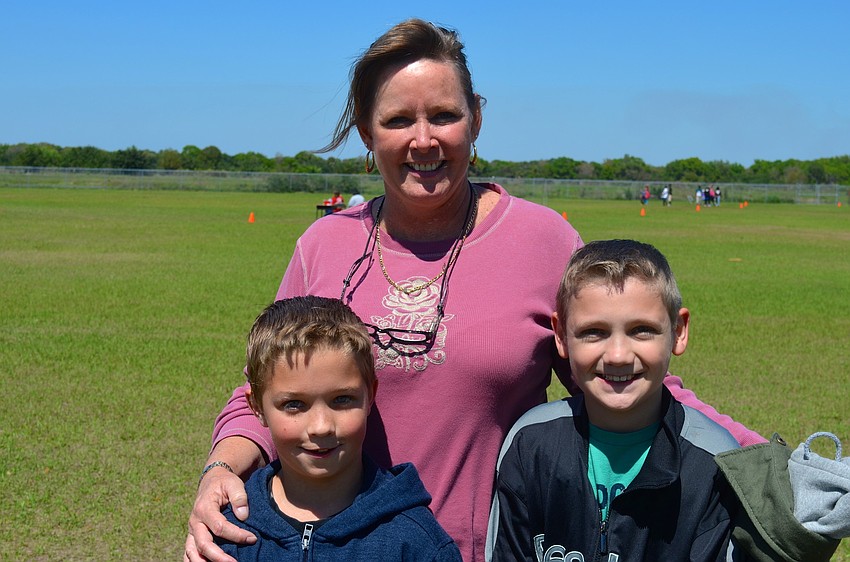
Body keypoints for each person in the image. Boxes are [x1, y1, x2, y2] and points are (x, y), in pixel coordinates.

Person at [186, 19, 764, 562]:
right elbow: (264, 390)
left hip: (494, 547)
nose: (423, 140)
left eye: (443, 115)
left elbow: (631, 381)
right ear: (366, 132)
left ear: (476, 119)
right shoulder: (324, 244)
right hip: (346, 544)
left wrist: (768, 464)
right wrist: (221, 469)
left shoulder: (542, 239)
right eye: (396, 121)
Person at [486, 240, 740, 561]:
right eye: (594, 332)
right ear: (561, 335)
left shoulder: (712, 464)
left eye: (641, 330)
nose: (618, 355)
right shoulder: (531, 445)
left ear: (678, 331)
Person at [214, 296, 461, 561]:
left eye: (342, 399)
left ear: (370, 395)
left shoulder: (415, 541)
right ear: (257, 407)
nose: (321, 427)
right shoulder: (230, 531)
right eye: (294, 404)